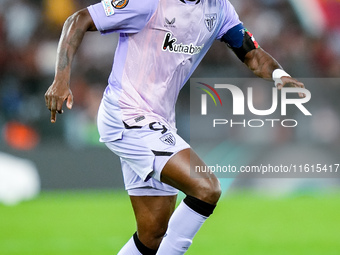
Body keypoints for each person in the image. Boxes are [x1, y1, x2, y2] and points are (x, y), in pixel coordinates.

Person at [44, 0, 305, 254]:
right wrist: (60, 80)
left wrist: (279, 75)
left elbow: (252, 54)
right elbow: (78, 20)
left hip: (159, 120)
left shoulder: (219, 8)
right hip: (126, 113)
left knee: (153, 235)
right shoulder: (148, 3)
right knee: (206, 187)